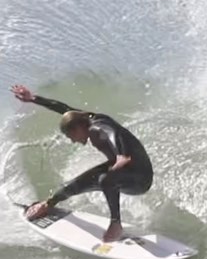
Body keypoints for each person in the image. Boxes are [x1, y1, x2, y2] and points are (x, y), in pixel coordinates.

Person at [11, 84, 153, 242]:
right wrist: (33, 99)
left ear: (77, 128)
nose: (73, 141)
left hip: (140, 178)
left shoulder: (97, 127)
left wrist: (121, 154)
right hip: (123, 171)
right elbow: (63, 108)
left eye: (71, 136)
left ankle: (116, 224)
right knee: (71, 186)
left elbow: (112, 133)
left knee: (105, 179)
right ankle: (47, 204)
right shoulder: (87, 118)